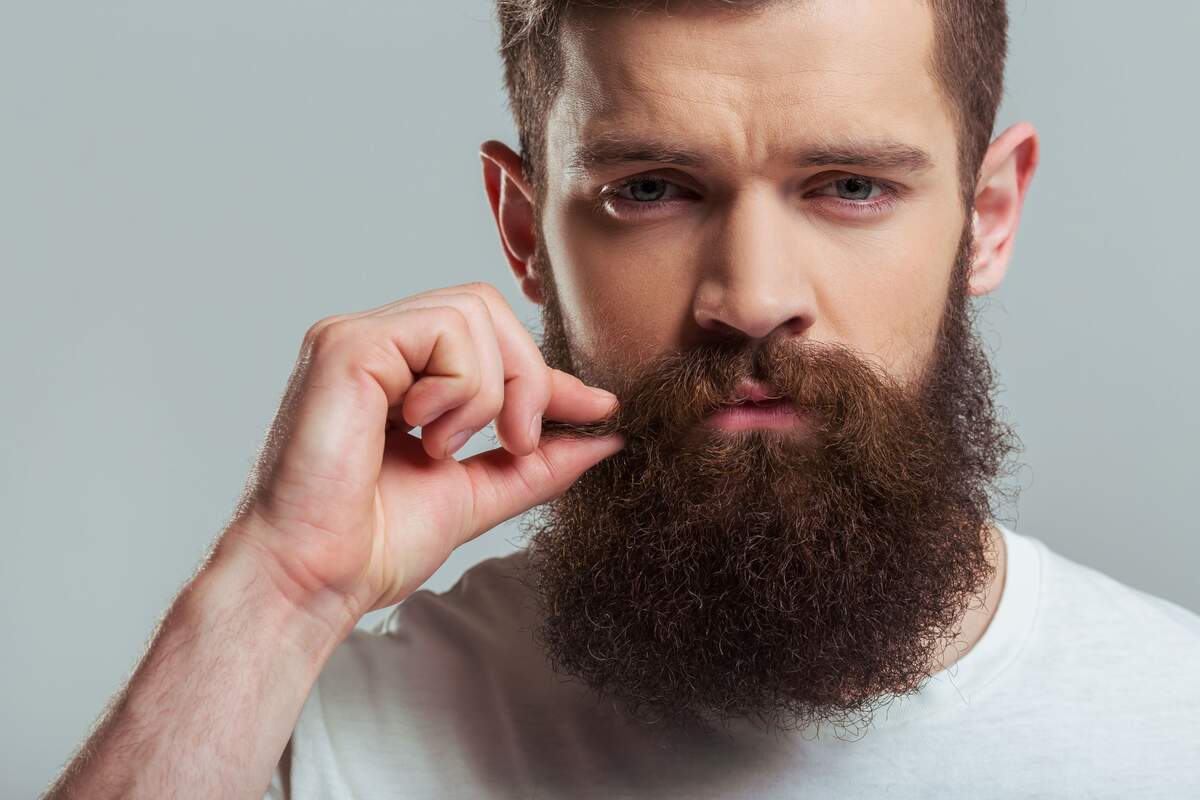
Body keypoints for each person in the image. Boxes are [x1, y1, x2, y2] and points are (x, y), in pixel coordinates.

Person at [45, 1, 1200, 798]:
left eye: (850, 186)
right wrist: (279, 585)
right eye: (650, 188)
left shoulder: (1175, 730)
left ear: (987, 215)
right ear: (522, 229)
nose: (750, 297)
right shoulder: (350, 731)